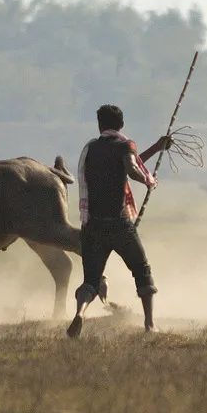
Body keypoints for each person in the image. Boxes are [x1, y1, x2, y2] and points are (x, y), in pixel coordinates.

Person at [66, 104, 172, 338]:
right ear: (121, 124)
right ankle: (149, 324)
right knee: (142, 270)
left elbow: (127, 165)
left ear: (100, 125)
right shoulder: (126, 145)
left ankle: (80, 313)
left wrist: (156, 147)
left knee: (91, 281)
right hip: (119, 224)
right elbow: (131, 168)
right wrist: (148, 180)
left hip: (92, 226)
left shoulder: (91, 148)